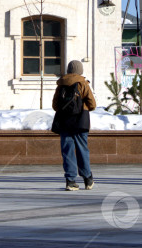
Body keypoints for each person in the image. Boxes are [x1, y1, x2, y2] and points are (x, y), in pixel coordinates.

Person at [51, 60, 96, 191]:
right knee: (82, 149)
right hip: (81, 121)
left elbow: (55, 105)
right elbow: (92, 104)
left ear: (69, 70)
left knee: (67, 151)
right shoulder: (83, 84)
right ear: (80, 70)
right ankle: (88, 179)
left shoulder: (61, 84)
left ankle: (70, 181)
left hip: (65, 122)